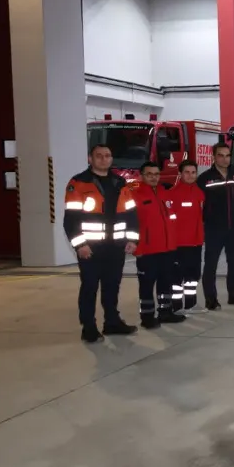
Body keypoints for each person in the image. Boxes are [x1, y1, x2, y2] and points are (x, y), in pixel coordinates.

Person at [63, 144, 139, 343]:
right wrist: (80, 245)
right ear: (90, 159)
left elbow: (131, 214)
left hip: (115, 246)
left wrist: (132, 239)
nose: (104, 159)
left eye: (107, 155)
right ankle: (88, 327)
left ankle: (112, 322)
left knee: (112, 286)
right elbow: (70, 220)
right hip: (91, 248)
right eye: (99, 156)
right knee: (89, 287)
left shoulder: (120, 182)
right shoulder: (78, 183)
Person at [131, 162, 185, 329]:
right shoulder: (134, 195)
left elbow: (171, 221)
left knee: (165, 282)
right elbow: (131, 224)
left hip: (167, 249)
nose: (153, 177)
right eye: (149, 174)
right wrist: (137, 248)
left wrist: (173, 245)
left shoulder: (164, 193)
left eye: (156, 174)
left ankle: (165, 312)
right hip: (147, 250)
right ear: (141, 176)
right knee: (146, 285)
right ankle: (147, 317)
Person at [197, 141, 234, 310]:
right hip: (214, 229)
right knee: (211, 265)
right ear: (214, 157)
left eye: (227, 156)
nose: (225, 159)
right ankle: (211, 299)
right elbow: (199, 205)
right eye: (221, 156)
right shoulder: (204, 178)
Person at [168, 160, 207, 312]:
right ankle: (176, 306)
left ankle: (191, 304)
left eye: (193, 172)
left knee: (193, 275)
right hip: (179, 244)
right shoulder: (172, 194)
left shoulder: (199, 193)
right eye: (187, 172)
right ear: (180, 174)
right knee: (177, 277)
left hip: (196, 242)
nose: (190, 175)